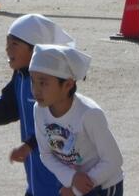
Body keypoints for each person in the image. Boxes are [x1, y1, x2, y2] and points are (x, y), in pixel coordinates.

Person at [0, 15, 75, 196]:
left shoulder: (51, 84)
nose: (7, 49)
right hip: (35, 180)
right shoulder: (21, 76)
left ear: (35, 50)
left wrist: (29, 145)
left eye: (15, 44)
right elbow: (8, 107)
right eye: (7, 43)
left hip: (59, 182)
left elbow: (59, 127)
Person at [30, 44, 124, 196]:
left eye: (43, 83)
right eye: (32, 81)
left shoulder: (89, 114)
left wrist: (76, 189)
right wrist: (72, 178)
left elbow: (113, 160)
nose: (35, 90)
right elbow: (46, 155)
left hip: (103, 186)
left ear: (68, 84)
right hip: (73, 183)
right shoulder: (39, 109)